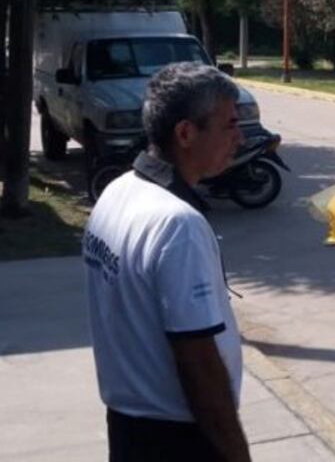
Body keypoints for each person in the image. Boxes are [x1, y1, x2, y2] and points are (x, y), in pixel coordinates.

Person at [83, 62, 250, 462]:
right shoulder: (177, 224)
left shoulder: (118, 191)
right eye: (229, 125)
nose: (240, 138)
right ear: (186, 133)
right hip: (179, 438)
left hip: (129, 427)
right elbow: (198, 363)